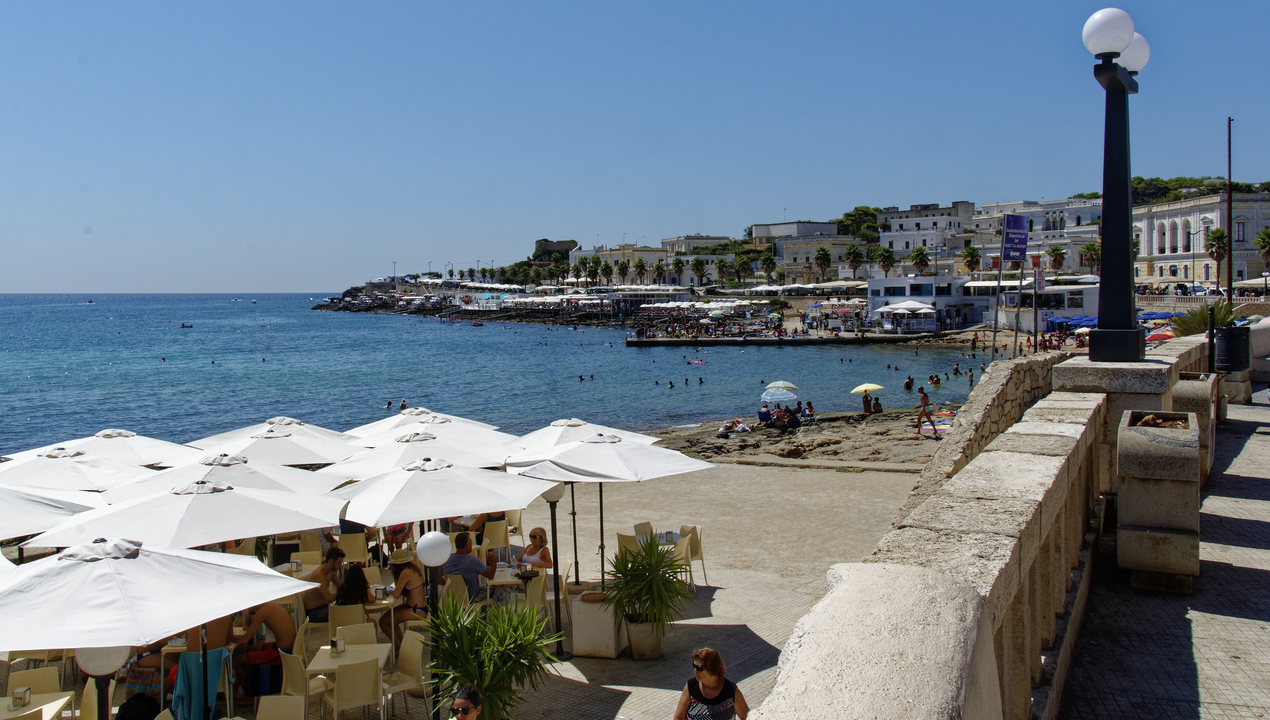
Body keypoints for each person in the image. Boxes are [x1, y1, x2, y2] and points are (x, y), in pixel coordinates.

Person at [232, 603, 297, 699]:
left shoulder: (262, 612)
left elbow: (244, 640)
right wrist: (249, 611)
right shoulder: (271, 606)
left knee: (237, 660)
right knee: (247, 650)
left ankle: (248, 696)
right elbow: (245, 627)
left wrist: (228, 639)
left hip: (281, 653)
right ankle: (236, 688)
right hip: (284, 647)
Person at [673, 648, 748, 719]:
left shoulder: (731, 690)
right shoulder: (691, 686)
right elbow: (678, 718)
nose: (695, 670)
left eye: (699, 668)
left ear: (712, 668)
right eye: (694, 666)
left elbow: (747, 717)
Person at [381, 550, 428, 644]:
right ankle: (401, 644)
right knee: (389, 616)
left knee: (383, 622)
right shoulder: (414, 569)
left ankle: (399, 646)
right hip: (418, 607)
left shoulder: (405, 573)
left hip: (416, 610)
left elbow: (396, 594)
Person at [441, 532, 497, 603]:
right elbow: (491, 575)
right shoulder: (474, 561)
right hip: (472, 598)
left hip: (453, 597)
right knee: (496, 586)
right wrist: (494, 560)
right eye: (471, 542)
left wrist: (452, 585)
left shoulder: (446, 559)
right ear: (467, 545)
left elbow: (438, 578)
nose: (471, 544)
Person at [301, 547, 345, 622]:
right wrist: (345, 594)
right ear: (330, 561)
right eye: (339, 563)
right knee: (343, 614)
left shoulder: (331, 572)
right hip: (314, 612)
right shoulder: (318, 575)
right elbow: (329, 598)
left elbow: (341, 588)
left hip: (325, 606)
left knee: (349, 608)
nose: (341, 566)